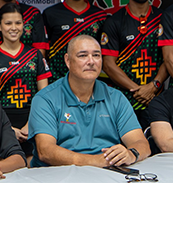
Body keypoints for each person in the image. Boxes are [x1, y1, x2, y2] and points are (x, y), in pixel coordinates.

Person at [29, 35, 151, 169]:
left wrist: (130, 154)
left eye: (96, 55)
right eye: (83, 55)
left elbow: (140, 142)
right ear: (68, 61)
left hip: (107, 171)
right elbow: (45, 151)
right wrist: (94, 161)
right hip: (59, 173)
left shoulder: (116, 97)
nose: (91, 61)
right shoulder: (45, 99)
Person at [0, 3, 51, 158]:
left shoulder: (35, 55)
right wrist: (8, 128)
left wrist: (30, 124)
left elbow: (44, 96)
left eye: (18, 23)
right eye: (8, 23)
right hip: (1, 124)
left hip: (32, 122)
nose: (14, 27)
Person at [101, 0, 168, 129]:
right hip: (124, 101)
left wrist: (154, 86)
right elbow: (108, 65)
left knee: (157, 146)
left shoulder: (164, 18)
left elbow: (170, 58)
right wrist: (138, 90)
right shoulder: (114, 22)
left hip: (156, 99)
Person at [43, 0, 108, 82]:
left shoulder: (100, 16)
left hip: (90, 85)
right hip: (58, 85)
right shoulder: (50, 14)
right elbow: (43, 54)